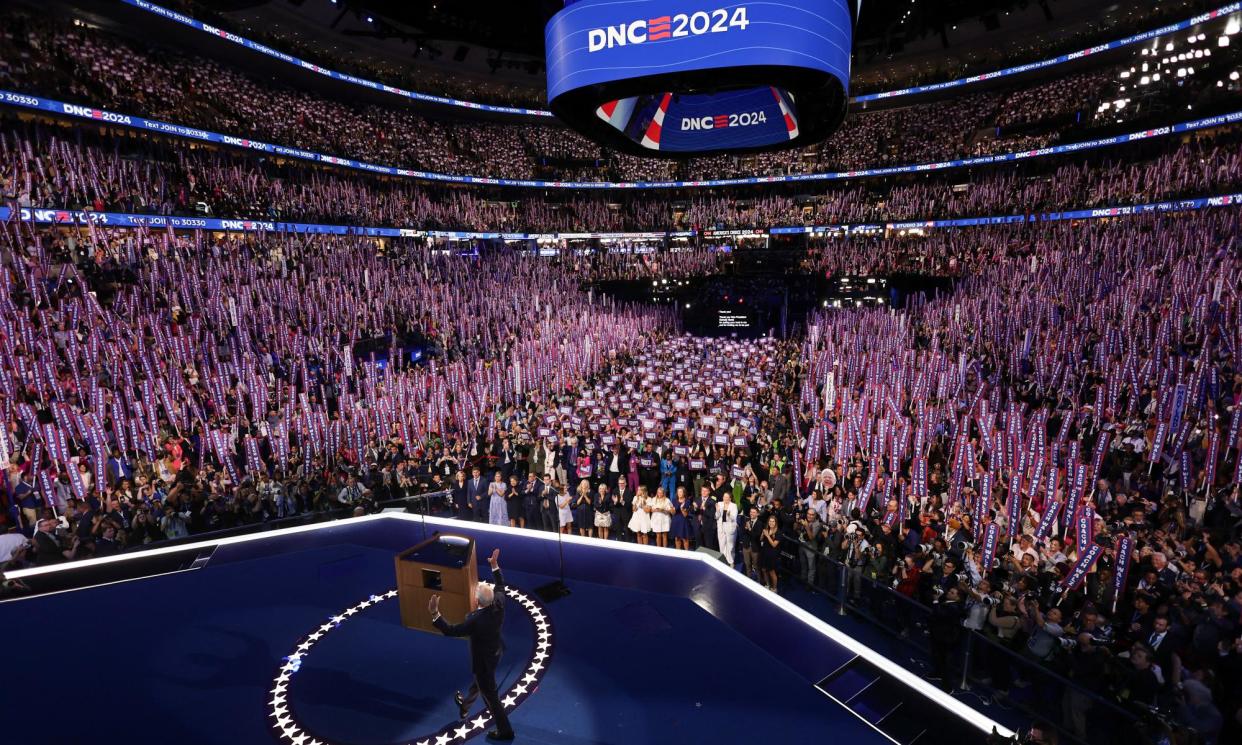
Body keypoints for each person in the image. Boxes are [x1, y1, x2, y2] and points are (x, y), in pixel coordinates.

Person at [429, 548, 515, 742]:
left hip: (483, 662)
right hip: (494, 652)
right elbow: (500, 585)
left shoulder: (474, 620)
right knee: (481, 685)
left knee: (491, 698)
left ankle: (505, 731)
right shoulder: (499, 603)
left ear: (477, 600)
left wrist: (435, 613)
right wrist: (494, 566)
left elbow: (451, 630)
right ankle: (465, 706)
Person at [759, 514, 781, 591]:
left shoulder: (778, 532)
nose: (771, 523)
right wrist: (763, 534)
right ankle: (768, 584)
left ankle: (774, 589)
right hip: (764, 552)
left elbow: (774, 545)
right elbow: (761, 539)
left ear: (776, 523)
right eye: (770, 521)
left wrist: (767, 535)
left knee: (772, 572)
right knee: (764, 569)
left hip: (772, 555)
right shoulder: (767, 529)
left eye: (773, 521)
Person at [717, 490, 739, 567]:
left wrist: (729, 514)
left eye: (727, 497)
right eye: (724, 497)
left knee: (730, 546)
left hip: (730, 527)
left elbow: (734, 518)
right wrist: (717, 510)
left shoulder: (734, 505)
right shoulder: (719, 504)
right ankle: (723, 561)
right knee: (722, 545)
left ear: (730, 498)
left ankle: (731, 561)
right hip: (721, 526)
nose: (725, 498)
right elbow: (716, 517)